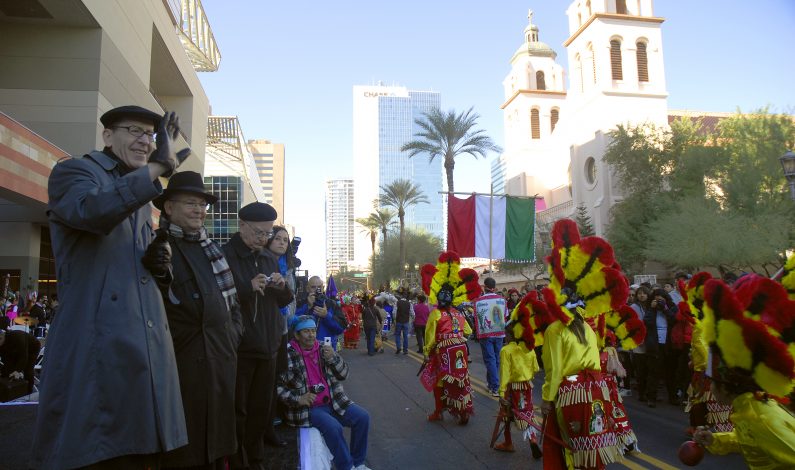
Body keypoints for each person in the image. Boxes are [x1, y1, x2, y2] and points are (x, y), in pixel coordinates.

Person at [31, 105, 190, 469]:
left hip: (141, 347)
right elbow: (91, 210)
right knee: (99, 452)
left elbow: (128, 266)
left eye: (150, 135)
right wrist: (156, 169)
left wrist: (158, 265)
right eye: (133, 130)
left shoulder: (136, 188)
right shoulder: (74, 171)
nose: (144, 141)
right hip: (99, 348)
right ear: (107, 135)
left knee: (140, 453)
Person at [153, 171, 244, 468]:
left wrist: (233, 335)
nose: (199, 210)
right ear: (169, 207)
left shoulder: (211, 249)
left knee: (218, 447)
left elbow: (233, 306)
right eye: (191, 203)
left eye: (202, 204)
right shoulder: (158, 247)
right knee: (186, 451)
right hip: (182, 367)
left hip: (220, 360)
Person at [691, 274, 795, 469]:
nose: (711, 388)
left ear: (727, 387)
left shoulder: (760, 417)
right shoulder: (750, 408)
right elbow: (751, 440)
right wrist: (715, 440)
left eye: (712, 382)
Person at [223, 202, 294, 468]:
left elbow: (284, 300)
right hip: (240, 347)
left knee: (261, 409)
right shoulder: (225, 255)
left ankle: (256, 458)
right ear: (242, 226)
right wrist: (247, 287)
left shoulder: (267, 257)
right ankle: (238, 461)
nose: (263, 239)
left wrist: (280, 286)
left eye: (267, 234)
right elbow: (218, 299)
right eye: (259, 233)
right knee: (238, 411)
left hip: (269, 344)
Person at [277, 316, 372, 470]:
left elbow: (344, 374)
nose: (311, 335)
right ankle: (346, 467)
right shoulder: (288, 354)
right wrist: (298, 399)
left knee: (362, 417)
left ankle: (358, 463)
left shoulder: (323, 348)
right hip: (308, 409)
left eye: (313, 331)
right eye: (306, 331)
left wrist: (333, 358)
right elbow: (277, 387)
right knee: (334, 427)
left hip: (334, 402)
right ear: (296, 335)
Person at [419, 252, 481, 425]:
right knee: (462, 379)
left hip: (443, 350)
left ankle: (439, 411)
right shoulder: (457, 313)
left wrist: (426, 352)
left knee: (440, 380)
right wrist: (457, 338)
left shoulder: (436, 314)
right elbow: (467, 330)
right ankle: (463, 411)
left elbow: (430, 337)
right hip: (460, 349)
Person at [492, 293, 542, 453]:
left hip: (511, 387)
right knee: (527, 412)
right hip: (527, 385)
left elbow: (504, 374)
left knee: (506, 415)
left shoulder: (506, 350)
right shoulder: (529, 349)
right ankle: (533, 440)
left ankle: (508, 443)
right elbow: (536, 369)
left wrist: (501, 392)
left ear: (509, 335)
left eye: (506, 334)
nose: (504, 337)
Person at [473, 277, 506, 397]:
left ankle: (495, 386)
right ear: (494, 287)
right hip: (499, 334)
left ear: (484, 287)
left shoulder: (478, 301)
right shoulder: (502, 300)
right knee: (495, 359)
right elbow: (505, 315)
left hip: (486, 334)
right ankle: (491, 383)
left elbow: (475, 316)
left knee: (490, 360)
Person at [295, 276, 345, 350]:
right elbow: (293, 325)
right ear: (307, 289)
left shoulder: (331, 304)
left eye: (319, 287)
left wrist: (327, 316)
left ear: (323, 288)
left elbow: (341, 328)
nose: (317, 290)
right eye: (313, 287)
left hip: (326, 349)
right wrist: (307, 308)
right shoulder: (300, 304)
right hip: (305, 349)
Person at [0, 329, 41, 394]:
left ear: (3, 335)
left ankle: (28, 391)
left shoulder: (17, 337)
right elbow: (4, 359)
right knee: (7, 368)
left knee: (28, 370)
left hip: (32, 347)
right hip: (15, 349)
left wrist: (17, 370)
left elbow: (24, 357)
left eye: (0, 339)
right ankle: (6, 390)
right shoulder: (2, 343)